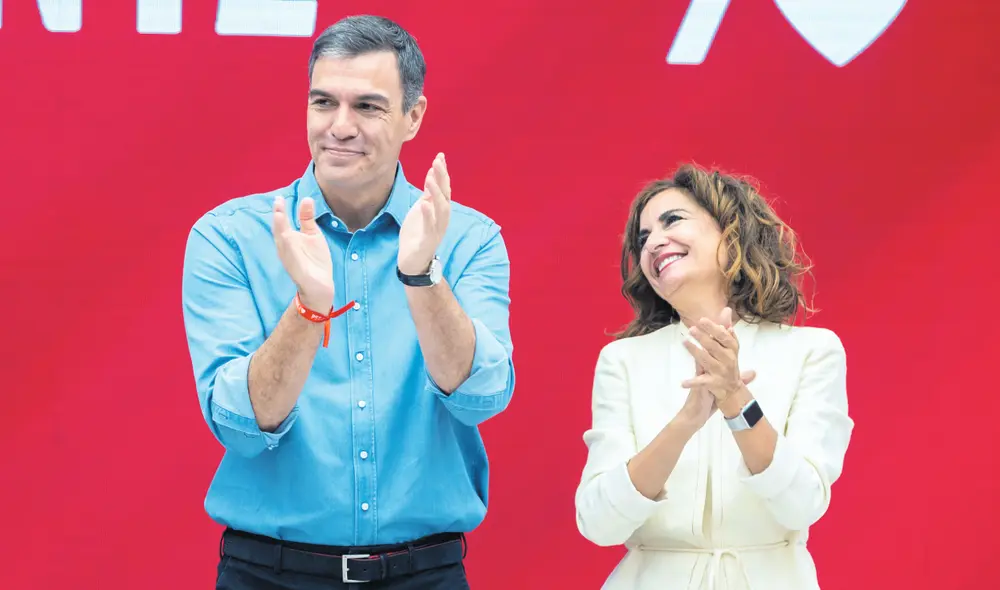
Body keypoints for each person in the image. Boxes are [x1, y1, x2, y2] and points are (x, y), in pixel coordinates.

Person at [181, 15, 515, 590]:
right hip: (270, 573)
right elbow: (240, 425)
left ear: (414, 117)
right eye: (323, 102)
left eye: (367, 106)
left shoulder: (468, 238)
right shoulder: (229, 236)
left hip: (424, 574)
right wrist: (309, 308)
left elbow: (482, 397)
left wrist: (420, 277)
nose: (339, 126)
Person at [574, 164, 854, 589]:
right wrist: (686, 421)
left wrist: (735, 398)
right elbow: (598, 523)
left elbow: (802, 505)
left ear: (730, 232)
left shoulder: (812, 351)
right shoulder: (622, 360)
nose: (653, 243)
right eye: (643, 237)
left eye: (673, 221)